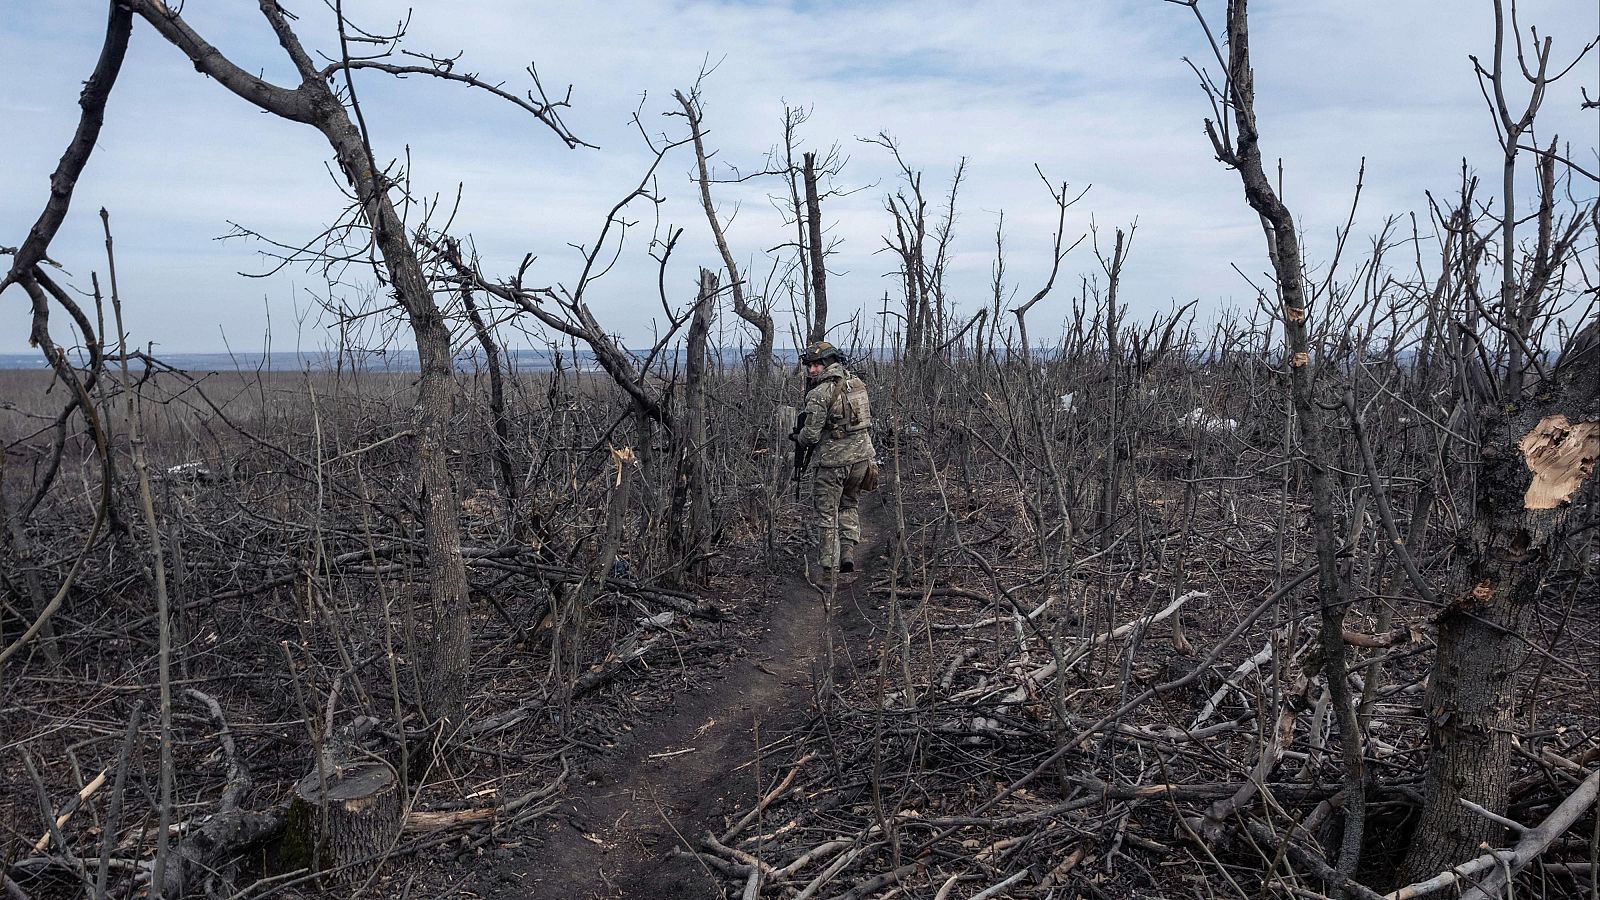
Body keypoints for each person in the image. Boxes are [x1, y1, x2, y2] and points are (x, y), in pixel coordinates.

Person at [793, 341, 875, 574]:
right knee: (849, 504)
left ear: (829, 364)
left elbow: (810, 435)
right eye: (809, 365)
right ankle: (847, 553)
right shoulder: (857, 384)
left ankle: (829, 571)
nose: (812, 370)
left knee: (827, 514)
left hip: (833, 462)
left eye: (817, 365)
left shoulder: (819, 393)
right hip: (861, 459)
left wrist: (798, 438)